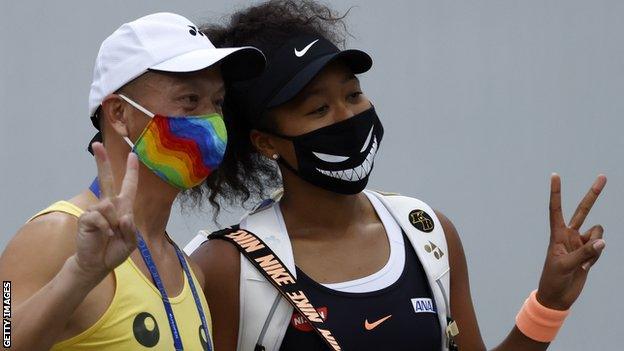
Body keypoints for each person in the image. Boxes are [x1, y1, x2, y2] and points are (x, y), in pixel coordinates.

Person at [188, 1, 608, 351]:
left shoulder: (428, 234)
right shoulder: (228, 267)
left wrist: (548, 303)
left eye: (353, 95)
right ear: (265, 142)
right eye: (318, 109)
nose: (348, 116)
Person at [0, 12, 264, 351]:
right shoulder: (55, 234)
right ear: (119, 115)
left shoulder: (190, 273)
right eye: (189, 100)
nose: (211, 122)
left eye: (217, 102)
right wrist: (79, 275)